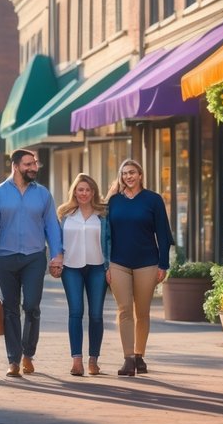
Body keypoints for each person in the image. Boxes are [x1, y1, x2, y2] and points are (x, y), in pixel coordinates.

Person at [0, 148, 64, 377]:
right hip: (6, 258)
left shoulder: (43, 194)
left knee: (32, 306)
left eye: (34, 163)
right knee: (10, 309)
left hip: (35, 257)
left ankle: (28, 354)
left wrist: (57, 255)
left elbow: (52, 227)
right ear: (15, 166)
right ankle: (13, 360)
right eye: (28, 164)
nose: (33, 168)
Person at [105, 158, 171, 377]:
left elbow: (162, 234)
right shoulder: (113, 201)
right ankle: (128, 359)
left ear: (140, 175)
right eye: (124, 173)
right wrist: (105, 264)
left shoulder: (153, 200)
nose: (128, 177)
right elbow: (105, 235)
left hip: (147, 263)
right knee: (124, 310)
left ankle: (139, 355)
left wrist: (163, 264)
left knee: (142, 312)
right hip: (118, 262)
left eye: (132, 172)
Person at [56, 173, 111, 376]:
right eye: (80, 189)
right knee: (76, 312)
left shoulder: (103, 214)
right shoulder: (64, 214)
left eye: (88, 190)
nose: (84, 193)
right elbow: (56, 240)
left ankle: (93, 359)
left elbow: (110, 241)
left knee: (96, 314)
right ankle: (76, 360)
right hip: (71, 268)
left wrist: (111, 266)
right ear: (75, 192)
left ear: (93, 192)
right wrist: (55, 259)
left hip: (98, 267)